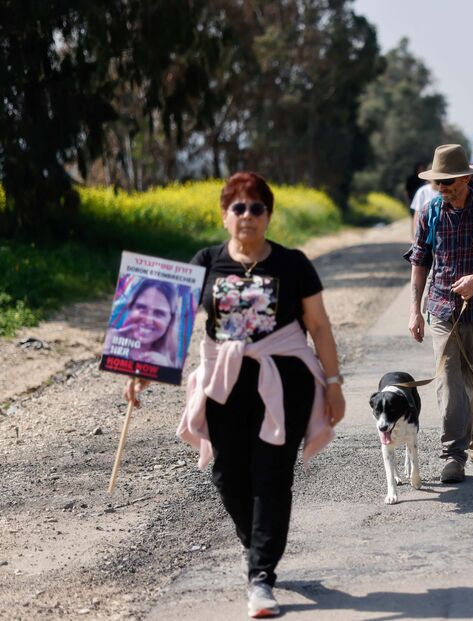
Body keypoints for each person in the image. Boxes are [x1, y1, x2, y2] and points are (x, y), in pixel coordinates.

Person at [124, 172, 345, 618]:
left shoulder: (293, 263)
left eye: (257, 208)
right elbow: (171, 323)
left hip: (284, 381)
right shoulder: (205, 260)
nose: (247, 215)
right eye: (238, 208)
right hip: (223, 382)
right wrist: (140, 371)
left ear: (269, 215)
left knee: (272, 476)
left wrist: (334, 384)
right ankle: (256, 545)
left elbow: (318, 326)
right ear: (224, 216)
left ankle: (261, 576)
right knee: (228, 475)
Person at [406, 144, 473, 482]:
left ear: (466, 178)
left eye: (449, 181)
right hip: (440, 310)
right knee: (448, 383)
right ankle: (453, 454)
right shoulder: (430, 213)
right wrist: (415, 310)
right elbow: (419, 262)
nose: (443, 188)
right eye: (439, 182)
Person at [104, 279, 179, 367]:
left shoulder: (173, 355)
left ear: (171, 319)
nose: (148, 320)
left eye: (159, 313)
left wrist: (165, 368)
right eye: (141, 308)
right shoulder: (111, 340)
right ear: (130, 308)